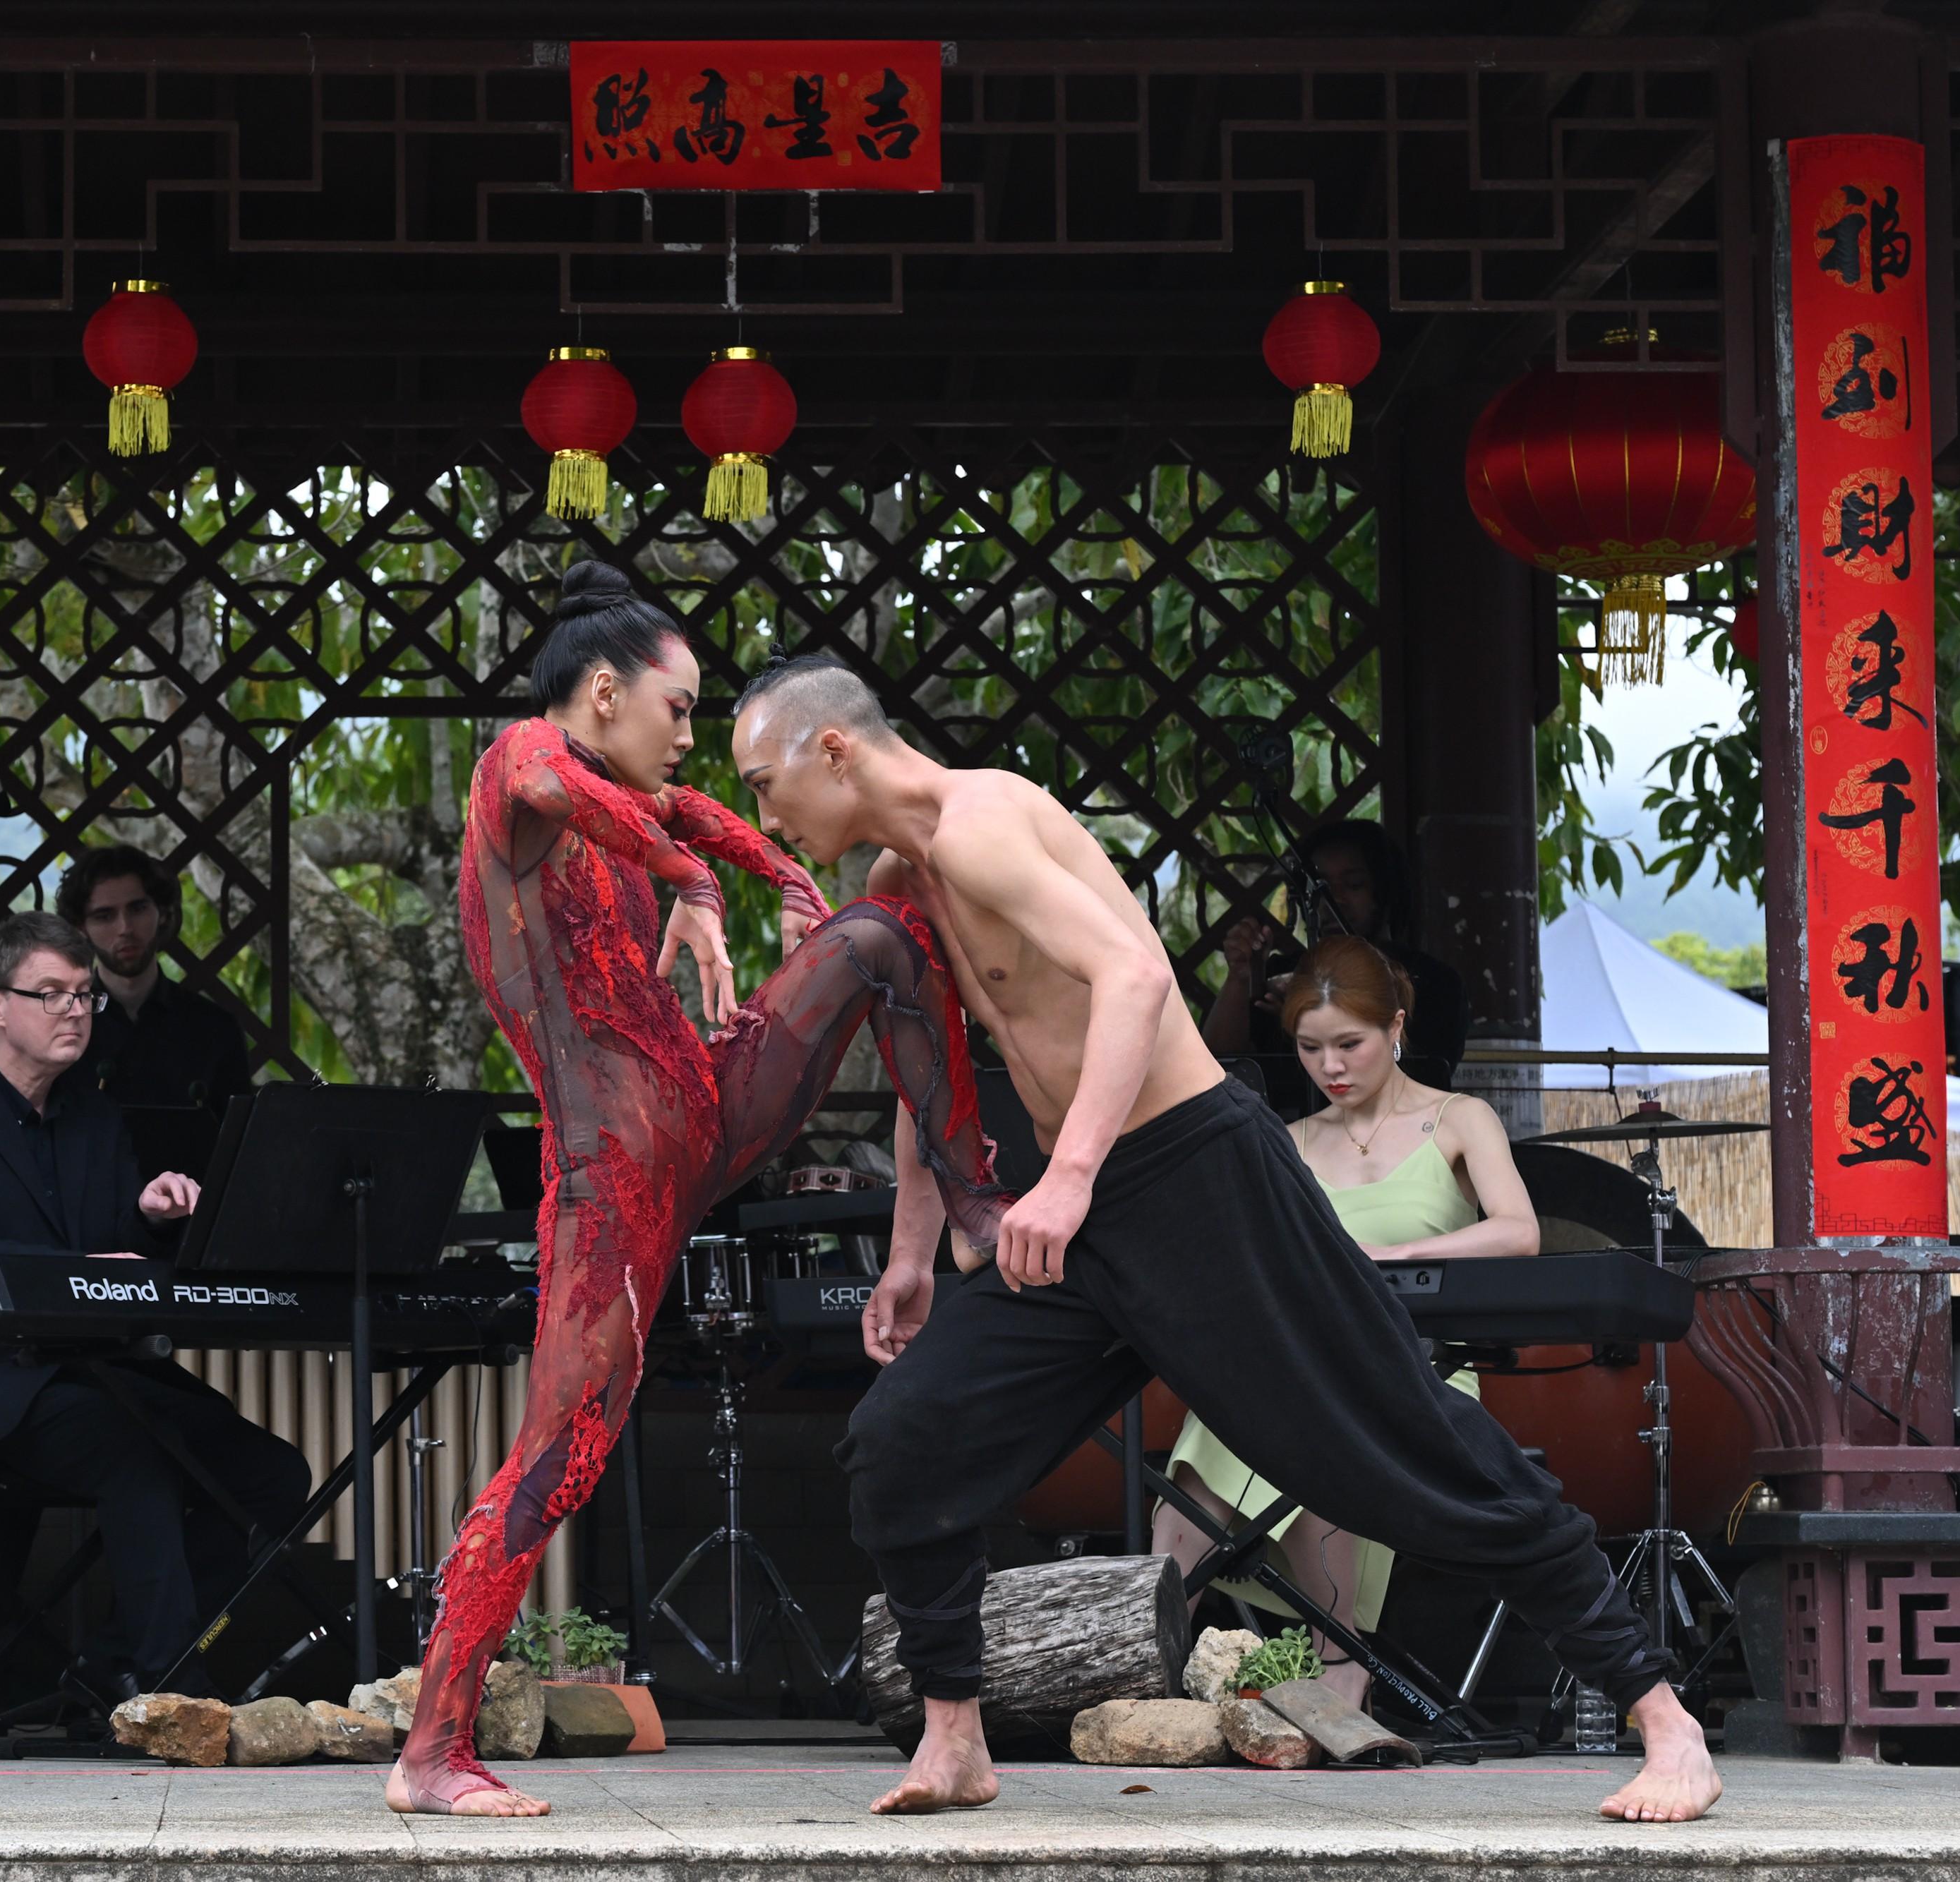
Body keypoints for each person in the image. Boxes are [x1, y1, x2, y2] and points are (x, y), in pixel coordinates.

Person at [726, 655, 1719, 1825]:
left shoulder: (983, 823)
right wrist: (911, 1246)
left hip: (1194, 1179)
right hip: (1081, 1211)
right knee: (905, 1440)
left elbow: (1136, 975)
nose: (762, 814)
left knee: (1401, 1448)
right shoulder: (906, 873)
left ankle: (1665, 1718)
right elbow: (924, 1062)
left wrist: (1073, 1174)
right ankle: (955, 1739)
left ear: (832, 749)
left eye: (761, 780)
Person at [385, 563, 1013, 1817]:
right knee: (562, 1451)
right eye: (676, 707)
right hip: (614, 1172)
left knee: (881, 941)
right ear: (604, 691)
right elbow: (607, 808)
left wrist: (781, 888)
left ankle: (978, 1201)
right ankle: (431, 1752)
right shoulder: (523, 764)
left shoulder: (645, 796)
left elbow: (723, 827)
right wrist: (690, 880)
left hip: (708, 1108)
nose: (689, 732)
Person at [0, 910, 309, 1698]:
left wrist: (149, 1213)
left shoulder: (96, 1115)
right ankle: (173, 1687)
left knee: (274, 1474)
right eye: (51, 994)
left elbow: (122, 1256)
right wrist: (85, 1261)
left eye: (85, 996)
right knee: (136, 1454)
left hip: (104, 1370)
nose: (75, 1012)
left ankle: (115, 1657)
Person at [1155, 936, 1540, 1713]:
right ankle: (1147, 1657)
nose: (1330, 1067)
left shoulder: (1458, 1119)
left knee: (1325, 1427)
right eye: (1308, 1048)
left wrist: (1393, 1254)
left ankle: (1336, 1667)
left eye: (1349, 1044)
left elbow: (1517, 1231)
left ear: (1395, 1028)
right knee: (1207, 1442)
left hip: (1416, 1363)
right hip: (1300, 1359)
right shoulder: (1291, 1142)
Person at [1206, 819, 1469, 1111]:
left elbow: (1422, 1077)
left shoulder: (1432, 981)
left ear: (1386, 890)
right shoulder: (1285, 975)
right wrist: (1240, 977)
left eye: (1354, 885)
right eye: (1319, 888)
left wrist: (1313, 1025)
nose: (1333, 900)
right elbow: (1216, 1069)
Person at [59, 843, 253, 1116]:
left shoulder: (215, 1029)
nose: (125, 928)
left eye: (137, 909)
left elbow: (240, 1143)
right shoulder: (58, 1028)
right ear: (81, 927)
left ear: (161, 913)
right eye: (105, 916)